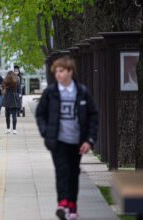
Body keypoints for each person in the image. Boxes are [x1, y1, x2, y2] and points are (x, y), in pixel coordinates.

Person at [35, 56, 98, 220]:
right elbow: (40, 113)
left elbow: (93, 115)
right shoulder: (51, 92)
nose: (58, 74)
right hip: (58, 141)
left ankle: (72, 206)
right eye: (56, 71)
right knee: (62, 171)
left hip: (77, 141)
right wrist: (46, 132)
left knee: (73, 173)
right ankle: (62, 204)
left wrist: (89, 140)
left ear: (70, 72)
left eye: (61, 71)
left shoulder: (81, 91)